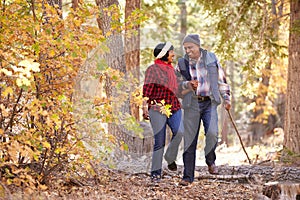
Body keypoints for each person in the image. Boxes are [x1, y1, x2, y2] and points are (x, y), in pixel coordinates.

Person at [176, 34, 231, 186]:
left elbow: (222, 80)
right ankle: (187, 177)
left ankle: (210, 160)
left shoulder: (211, 58)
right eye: (185, 48)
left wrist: (226, 98)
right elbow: (175, 85)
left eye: (190, 47)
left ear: (198, 46)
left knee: (213, 133)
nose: (188, 51)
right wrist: (187, 85)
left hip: (209, 102)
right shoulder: (181, 63)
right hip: (191, 104)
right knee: (190, 141)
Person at [142, 42, 184, 183]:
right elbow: (147, 89)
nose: (173, 54)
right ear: (164, 54)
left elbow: (177, 88)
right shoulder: (152, 69)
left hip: (174, 106)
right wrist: (144, 107)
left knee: (179, 132)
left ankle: (170, 157)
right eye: (171, 51)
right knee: (159, 141)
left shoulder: (172, 70)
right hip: (157, 108)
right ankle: (155, 174)